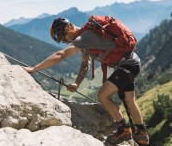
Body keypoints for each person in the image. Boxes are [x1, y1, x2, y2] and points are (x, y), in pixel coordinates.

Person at [22, 17, 149, 145]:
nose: (66, 42)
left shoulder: (85, 37)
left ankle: (124, 129)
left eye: (64, 38)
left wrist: (35, 68)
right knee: (129, 101)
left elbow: (61, 55)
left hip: (127, 65)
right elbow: (85, 63)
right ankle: (142, 134)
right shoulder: (85, 37)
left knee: (103, 95)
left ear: (69, 27)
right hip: (131, 63)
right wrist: (77, 83)